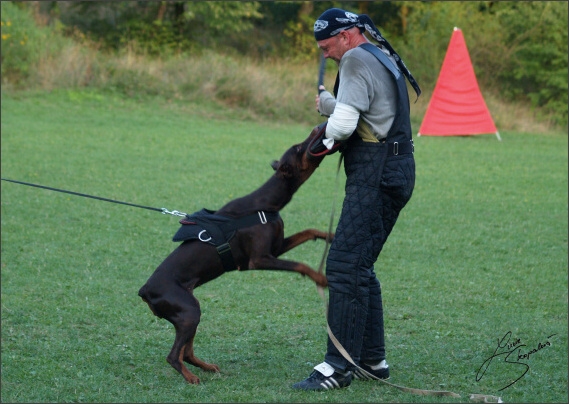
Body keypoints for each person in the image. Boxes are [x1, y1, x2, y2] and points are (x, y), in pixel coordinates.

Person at [293, 8, 421, 391]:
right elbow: (369, 111)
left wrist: (325, 131)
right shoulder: (379, 54)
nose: (326, 54)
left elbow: (346, 127)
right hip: (395, 167)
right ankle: (371, 361)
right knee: (359, 264)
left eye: (328, 46)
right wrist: (332, 105)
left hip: (376, 173)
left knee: (346, 264)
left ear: (346, 36)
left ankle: (338, 367)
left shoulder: (353, 60)